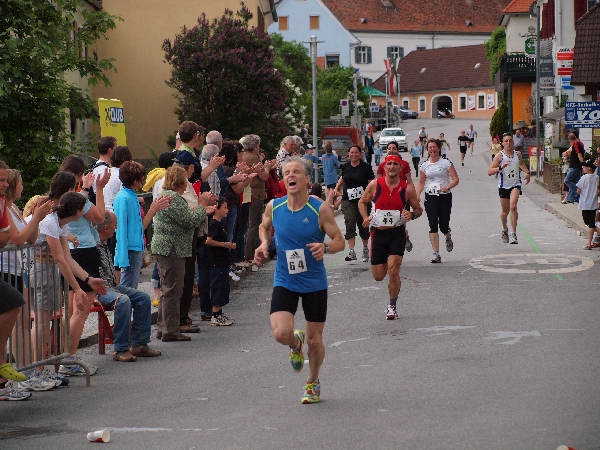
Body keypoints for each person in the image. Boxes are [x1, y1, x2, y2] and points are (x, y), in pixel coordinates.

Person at [254, 156, 345, 404]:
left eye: (296, 172)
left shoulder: (319, 209)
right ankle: (295, 344)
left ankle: (312, 381)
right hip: (285, 279)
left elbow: (340, 241)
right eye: (286, 173)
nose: (290, 176)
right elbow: (264, 226)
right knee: (280, 333)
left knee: (315, 341)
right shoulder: (275, 206)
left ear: (306, 179)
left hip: (314, 282)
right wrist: (264, 243)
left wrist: (325, 248)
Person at [152, 166, 213, 342]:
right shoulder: (174, 198)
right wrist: (202, 206)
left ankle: (163, 328)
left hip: (165, 247)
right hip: (173, 248)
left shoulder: (167, 195)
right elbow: (190, 221)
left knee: (166, 290)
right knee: (173, 291)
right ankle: (170, 331)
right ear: (181, 182)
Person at [358, 154, 423, 320]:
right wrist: (365, 217)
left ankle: (392, 306)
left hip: (397, 233)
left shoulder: (407, 188)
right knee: (378, 276)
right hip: (378, 233)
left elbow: (418, 209)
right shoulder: (375, 184)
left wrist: (412, 215)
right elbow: (362, 202)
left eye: (395, 164)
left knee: (393, 270)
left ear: (400, 168)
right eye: (389, 164)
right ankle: (389, 262)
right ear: (384, 167)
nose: (392, 166)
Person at [96, 212, 162, 361]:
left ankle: (140, 344)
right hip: (98, 288)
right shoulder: (92, 244)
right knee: (123, 300)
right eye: (115, 225)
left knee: (143, 298)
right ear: (106, 228)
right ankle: (121, 348)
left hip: (110, 285)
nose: (116, 228)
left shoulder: (105, 242)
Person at [417, 139, 460, 263]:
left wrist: (448, 187)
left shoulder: (446, 162)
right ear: (427, 150)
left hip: (444, 196)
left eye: (434, 147)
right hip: (430, 196)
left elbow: (455, 179)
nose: (432, 149)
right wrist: (417, 194)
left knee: (443, 225)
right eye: (430, 147)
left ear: (438, 148)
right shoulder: (424, 165)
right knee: (432, 223)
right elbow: (421, 182)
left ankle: (448, 236)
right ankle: (436, 254)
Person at [487, 133, 531, 244]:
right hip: (504, 186)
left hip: (516, 184)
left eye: (510, 140)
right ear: (502, 143)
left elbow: (521, 163)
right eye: (506, 141)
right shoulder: (499, 156)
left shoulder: (518, 154)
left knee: (513, 206)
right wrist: (501, 167)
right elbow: (490, 171)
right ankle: (504, 228)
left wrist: (527, 172)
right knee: (504, 212)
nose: (508, 143)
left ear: (513, 142)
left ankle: (513, 234)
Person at [240, 134, 278, 264]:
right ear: (255, 147)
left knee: (247, 224)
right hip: (255, 194)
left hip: (246, 194)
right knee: (254, 225)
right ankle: (250, 253)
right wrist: (267, 167)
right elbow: (264, 176)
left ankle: (246, 252)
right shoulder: (254, 158)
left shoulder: (243, 156)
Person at [334, 145, 375, 262]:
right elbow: (343, 178)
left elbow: (371, 183)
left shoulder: (366, 167)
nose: (354, 155)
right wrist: (337, 188)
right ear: (348, 154)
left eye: (356, 152)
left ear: (360, 154)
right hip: (348, 200)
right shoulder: (346, 166)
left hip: (363, 201)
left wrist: (371, 196)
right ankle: (351, 251)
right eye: (351, 152)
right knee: (350, 221)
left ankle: (365, 248)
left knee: (363, 224)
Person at [112, 161, 147, 289]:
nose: (143, 179)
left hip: (135, 247)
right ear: (134, 180)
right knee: (129, 287)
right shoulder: (124, 198)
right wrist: (122, 257)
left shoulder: (130, 196)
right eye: (141, 177)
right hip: (130, 249)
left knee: (132, 285)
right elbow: (120, 227)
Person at [377, 141, 414, 252]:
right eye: (389, 148)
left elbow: (410, 181)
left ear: (397, 150)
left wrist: (414, 195)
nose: (391, 150)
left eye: (394, 148)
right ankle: (390, 247)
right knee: (387, 224)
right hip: (386, 197)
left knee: (400, 224)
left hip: (402, 196)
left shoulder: (404, 164)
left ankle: (403, 238)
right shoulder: (382, 165)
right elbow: (378, 183)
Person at [205, 198, 236, 326]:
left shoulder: (220, 223)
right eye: (224, 207)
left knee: (223, 287)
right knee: (217, 286)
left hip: (222, 261)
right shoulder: (214, 224)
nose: (227, 210)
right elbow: (208, 241)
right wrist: (224, 244)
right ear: (217, 209)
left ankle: (220, 313)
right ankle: (215, 315)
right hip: (216, 261)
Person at [577, 161, 599, 250]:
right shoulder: (596, 177)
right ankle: (589, 242)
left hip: (585, 203)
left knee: (588, 222)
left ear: (589, 168)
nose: (583, 168)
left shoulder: (584, 177)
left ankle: (588, 243)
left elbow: (578, 190)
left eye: (584, 166)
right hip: (593, 203)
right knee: (591, 223)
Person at [563, 133, 585, 204]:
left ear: (570, 139)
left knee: (567, 180)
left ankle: (579, 192)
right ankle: (572, 198)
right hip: (577, 166)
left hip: (575, 166)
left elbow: (579, 154)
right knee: (576, 182)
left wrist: (583, 164)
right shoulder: (579, 143)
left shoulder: (575, 143)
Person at [321, 141, 340, 208]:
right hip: (332, 175)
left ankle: (327, 200)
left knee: (327, 188)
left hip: (326, 175)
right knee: (332, 189)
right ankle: (329, 203)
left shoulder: (323, 156)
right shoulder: (333, 157)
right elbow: (338, 165)